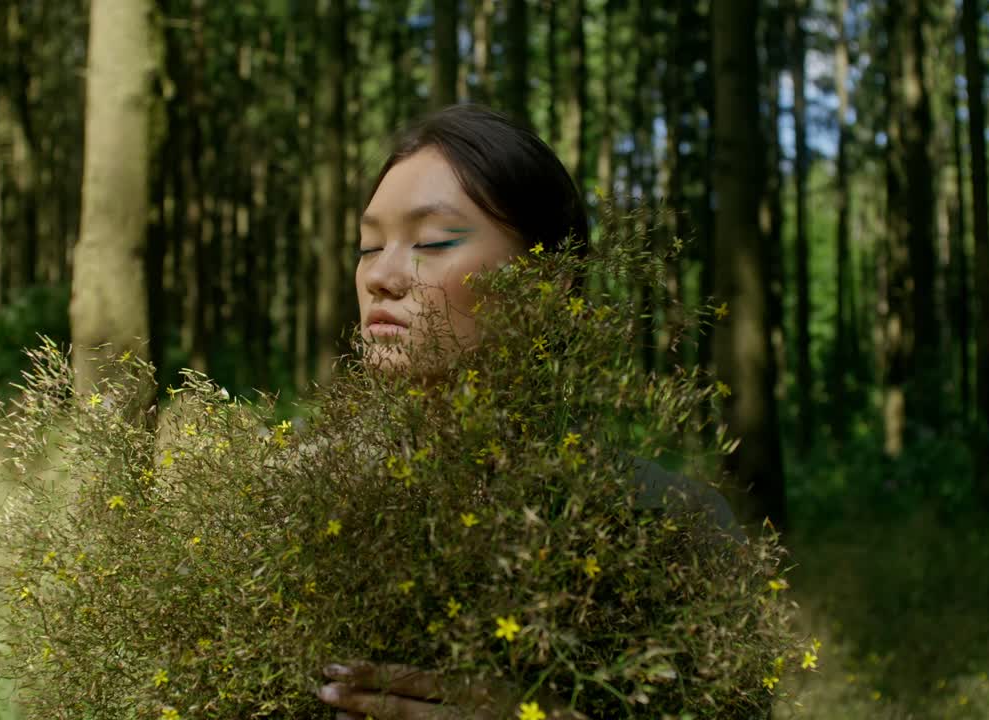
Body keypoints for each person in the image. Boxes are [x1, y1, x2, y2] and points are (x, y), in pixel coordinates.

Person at [318, 104, 742, 720]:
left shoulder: (673, 527)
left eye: (431, 241)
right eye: (369, 246)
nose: (380, 275)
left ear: (550, 280)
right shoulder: (292, 505)